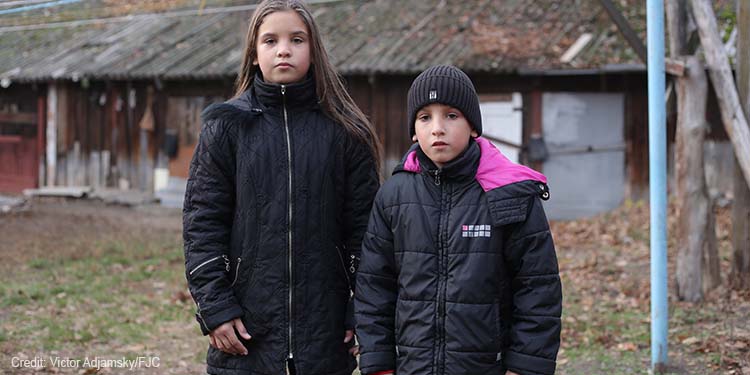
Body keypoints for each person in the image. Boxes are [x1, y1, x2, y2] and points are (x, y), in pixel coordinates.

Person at [183, 1, 380, 374]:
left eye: (296, 39)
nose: (284, 49)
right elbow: (202, 226)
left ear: (314, 50)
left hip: (326, 331)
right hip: (246, 333)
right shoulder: (225, 129)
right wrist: (216, 308)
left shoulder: (346, 133)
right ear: (254, 54)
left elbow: (367, 234)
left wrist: (363, 309)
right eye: (270, 40)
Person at [354, 65, 562, 375]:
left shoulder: (509, 194)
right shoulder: (393, 196)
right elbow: (374, 287)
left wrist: (525, 366)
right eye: (425, 118)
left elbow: (537, 288)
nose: (438, 128)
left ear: (473, 126)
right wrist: (379, 363)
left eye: (451, 115)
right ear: (413, 130)